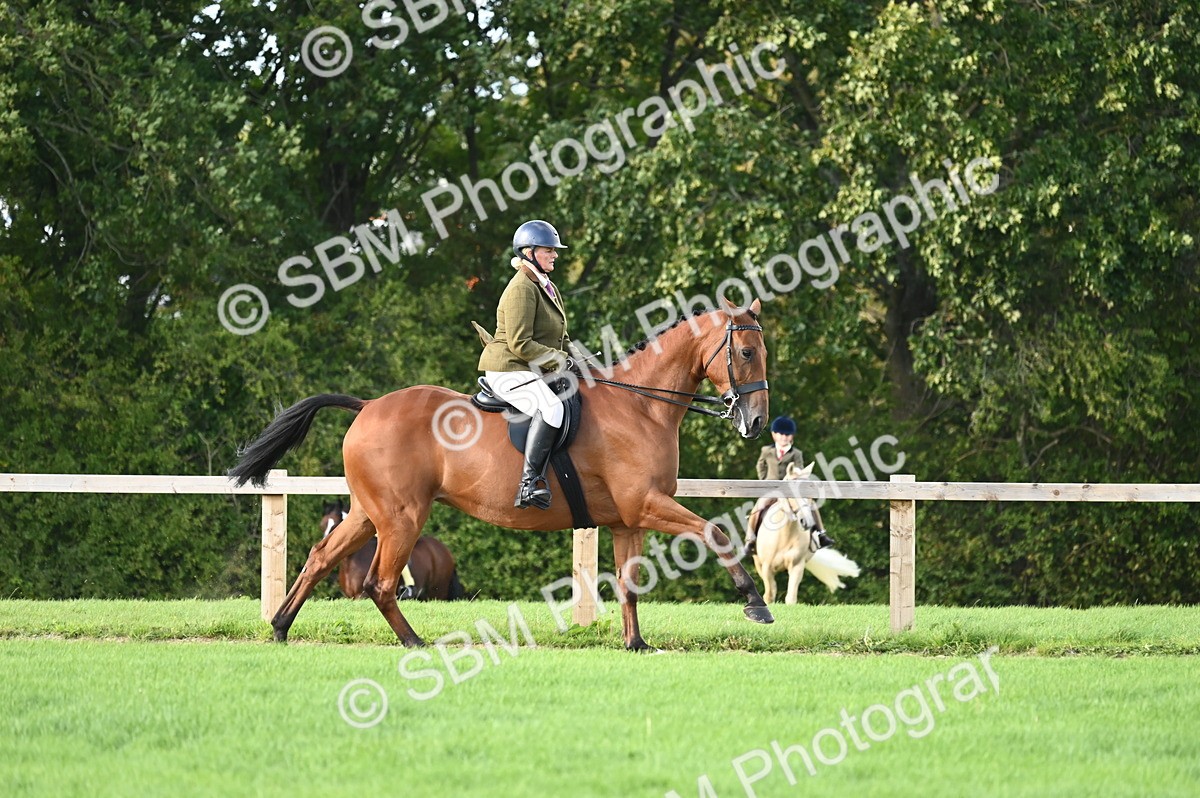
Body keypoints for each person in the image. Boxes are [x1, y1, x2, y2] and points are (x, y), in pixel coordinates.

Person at [477, 219, 572, 510]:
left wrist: (580, 360)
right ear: (529, 252)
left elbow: (560, 336)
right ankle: (528, 485)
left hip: (529, 367)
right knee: (551, 408)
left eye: (554, 250)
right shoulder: (521, 288)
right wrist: (559, 360)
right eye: (548, 250)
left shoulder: (545, 285)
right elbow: (520, 343)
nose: (555, 254)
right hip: (508, 368)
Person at [746, 416, 834, 553]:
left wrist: (795, 475)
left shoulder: (796, 453)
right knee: (758, 507)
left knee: (811, 505)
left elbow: (799, 470)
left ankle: (821, 533)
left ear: (791, 437)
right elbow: (760, 465)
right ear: (774, 435)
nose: (784, 438)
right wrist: (764, 480)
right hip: (772, 489)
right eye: (781, 434)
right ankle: (750, 539)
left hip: (791, 490)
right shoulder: (766, 451)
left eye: (787, 435)